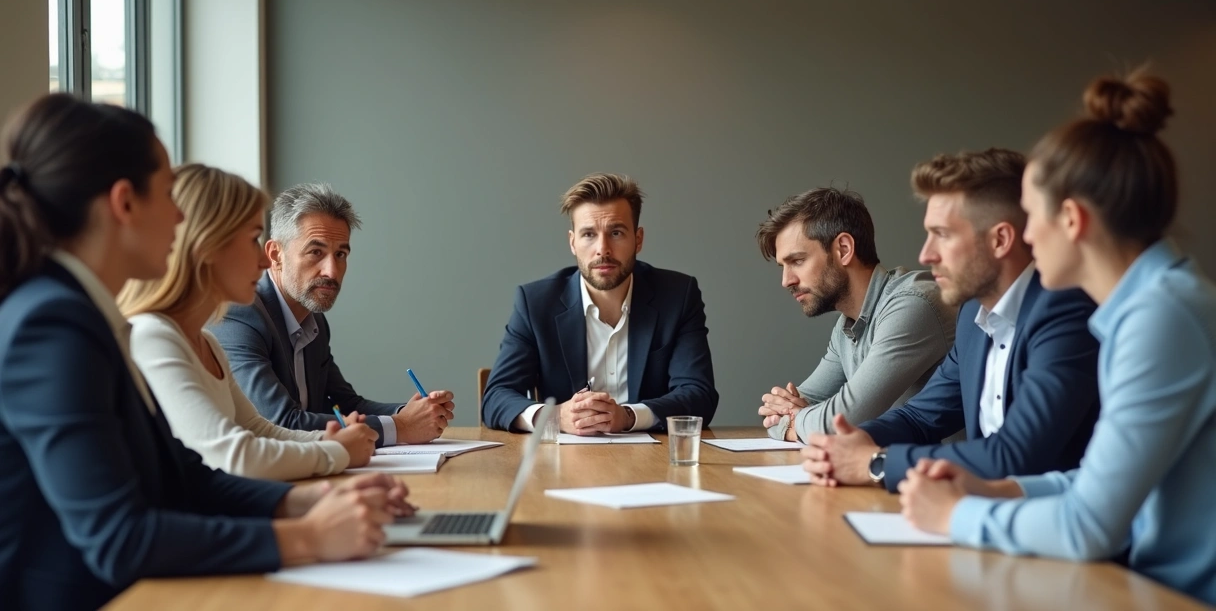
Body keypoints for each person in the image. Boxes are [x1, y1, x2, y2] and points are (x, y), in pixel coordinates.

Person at [0, 94, 412, 611]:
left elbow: (184, 478)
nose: (179, 217)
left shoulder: (86, 316)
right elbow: (118, 539)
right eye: (170, 193)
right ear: (125, 203)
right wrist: (308, 537)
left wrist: (316, 500)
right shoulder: (53, 323)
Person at [898, 71, 1216, 605]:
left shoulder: (1161, 316)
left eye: (1031, 215)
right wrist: (997, 490)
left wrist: (956, 514)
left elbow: (1089, 526)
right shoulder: (1149, 305)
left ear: (1071, 220)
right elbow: (1095, 482)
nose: (1022, 235)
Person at [799, 149, 1100, 492]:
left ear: (1000, 240)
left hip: (1056, 532)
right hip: (982, 515)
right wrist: (850, 442)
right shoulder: (974, 314)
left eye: (942, 234)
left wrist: (874, 463)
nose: (926, 255)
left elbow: (1018, 455)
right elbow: (921, 417)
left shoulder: (1066, 313)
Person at [120, 164, 378, 480]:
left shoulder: (208, 343)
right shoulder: (153, 337)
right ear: (208, 246)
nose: (263, 260)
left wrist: (329, 441)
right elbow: (235, 455)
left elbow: (259, 430)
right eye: (254, 239)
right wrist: (337, 451)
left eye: (341, 255)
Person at [209, 183, 453, 446]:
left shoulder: (314, 320)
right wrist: (400, 427)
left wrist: (411, 413)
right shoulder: (239, 314)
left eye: (341, 254)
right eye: (316, 252)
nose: (332, 272)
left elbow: (345, 403)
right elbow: (279, 422)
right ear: (275, 254)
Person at [481, 173, 718, 433]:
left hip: (655, 460)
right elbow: (496, 396)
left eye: (616, 232)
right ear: (572, 242)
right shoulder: (536, 303)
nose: (602, 249)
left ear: (638, 239)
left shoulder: (678, 296)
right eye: (589, 234)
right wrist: (556, 417)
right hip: (564, 464)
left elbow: (699, 394)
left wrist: (628, 416)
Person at [755, 187, 957, 442]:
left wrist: (798, 422)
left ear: (843, 249)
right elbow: (779, 415)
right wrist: (795, 420)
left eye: (797, 261)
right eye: (783, 266)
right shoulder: (846, 327)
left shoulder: (913, 304)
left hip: (952, 477)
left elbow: (843, 420)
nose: (786, 281)